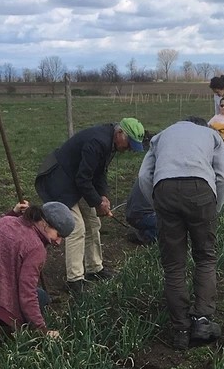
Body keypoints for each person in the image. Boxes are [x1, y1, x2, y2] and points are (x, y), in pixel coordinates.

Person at [137, 117, 224, 350]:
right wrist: (214, 206)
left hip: (164, 191)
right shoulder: (211, 135)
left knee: (173, 265)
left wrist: (158, 205)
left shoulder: (161, 136)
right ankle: (202, 321)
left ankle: (180, 330)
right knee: (205, 258)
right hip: (201, 191)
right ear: (200, 125)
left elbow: (143, 176)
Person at [34, 117, 145, 294]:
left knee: (93, 223)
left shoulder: (111, 143)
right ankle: (74, 280)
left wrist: (103, 196)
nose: (129, 148)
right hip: (58, 181)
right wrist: (97, 202)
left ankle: (95, 268)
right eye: (129, 143)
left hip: (76, 181)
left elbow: (100, 172)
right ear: (120, 133)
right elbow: (83, 178)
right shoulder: (98, 142)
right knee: (76, 227)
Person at [0, 201, 76, 338]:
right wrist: (41, 330)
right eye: (58, 235)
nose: (58, 242)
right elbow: (27, 293)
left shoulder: (6, 220)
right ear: (45, 224)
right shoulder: (35, 248)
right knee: (41, 297)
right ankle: (8, 330)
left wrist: (13, 213)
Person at [124, 178, 157, 245]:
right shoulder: (162, 179)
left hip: (134, 214)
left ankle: (141, 231)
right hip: (142, 216)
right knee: (170, 225)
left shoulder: (149, 172)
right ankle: (144, 236)